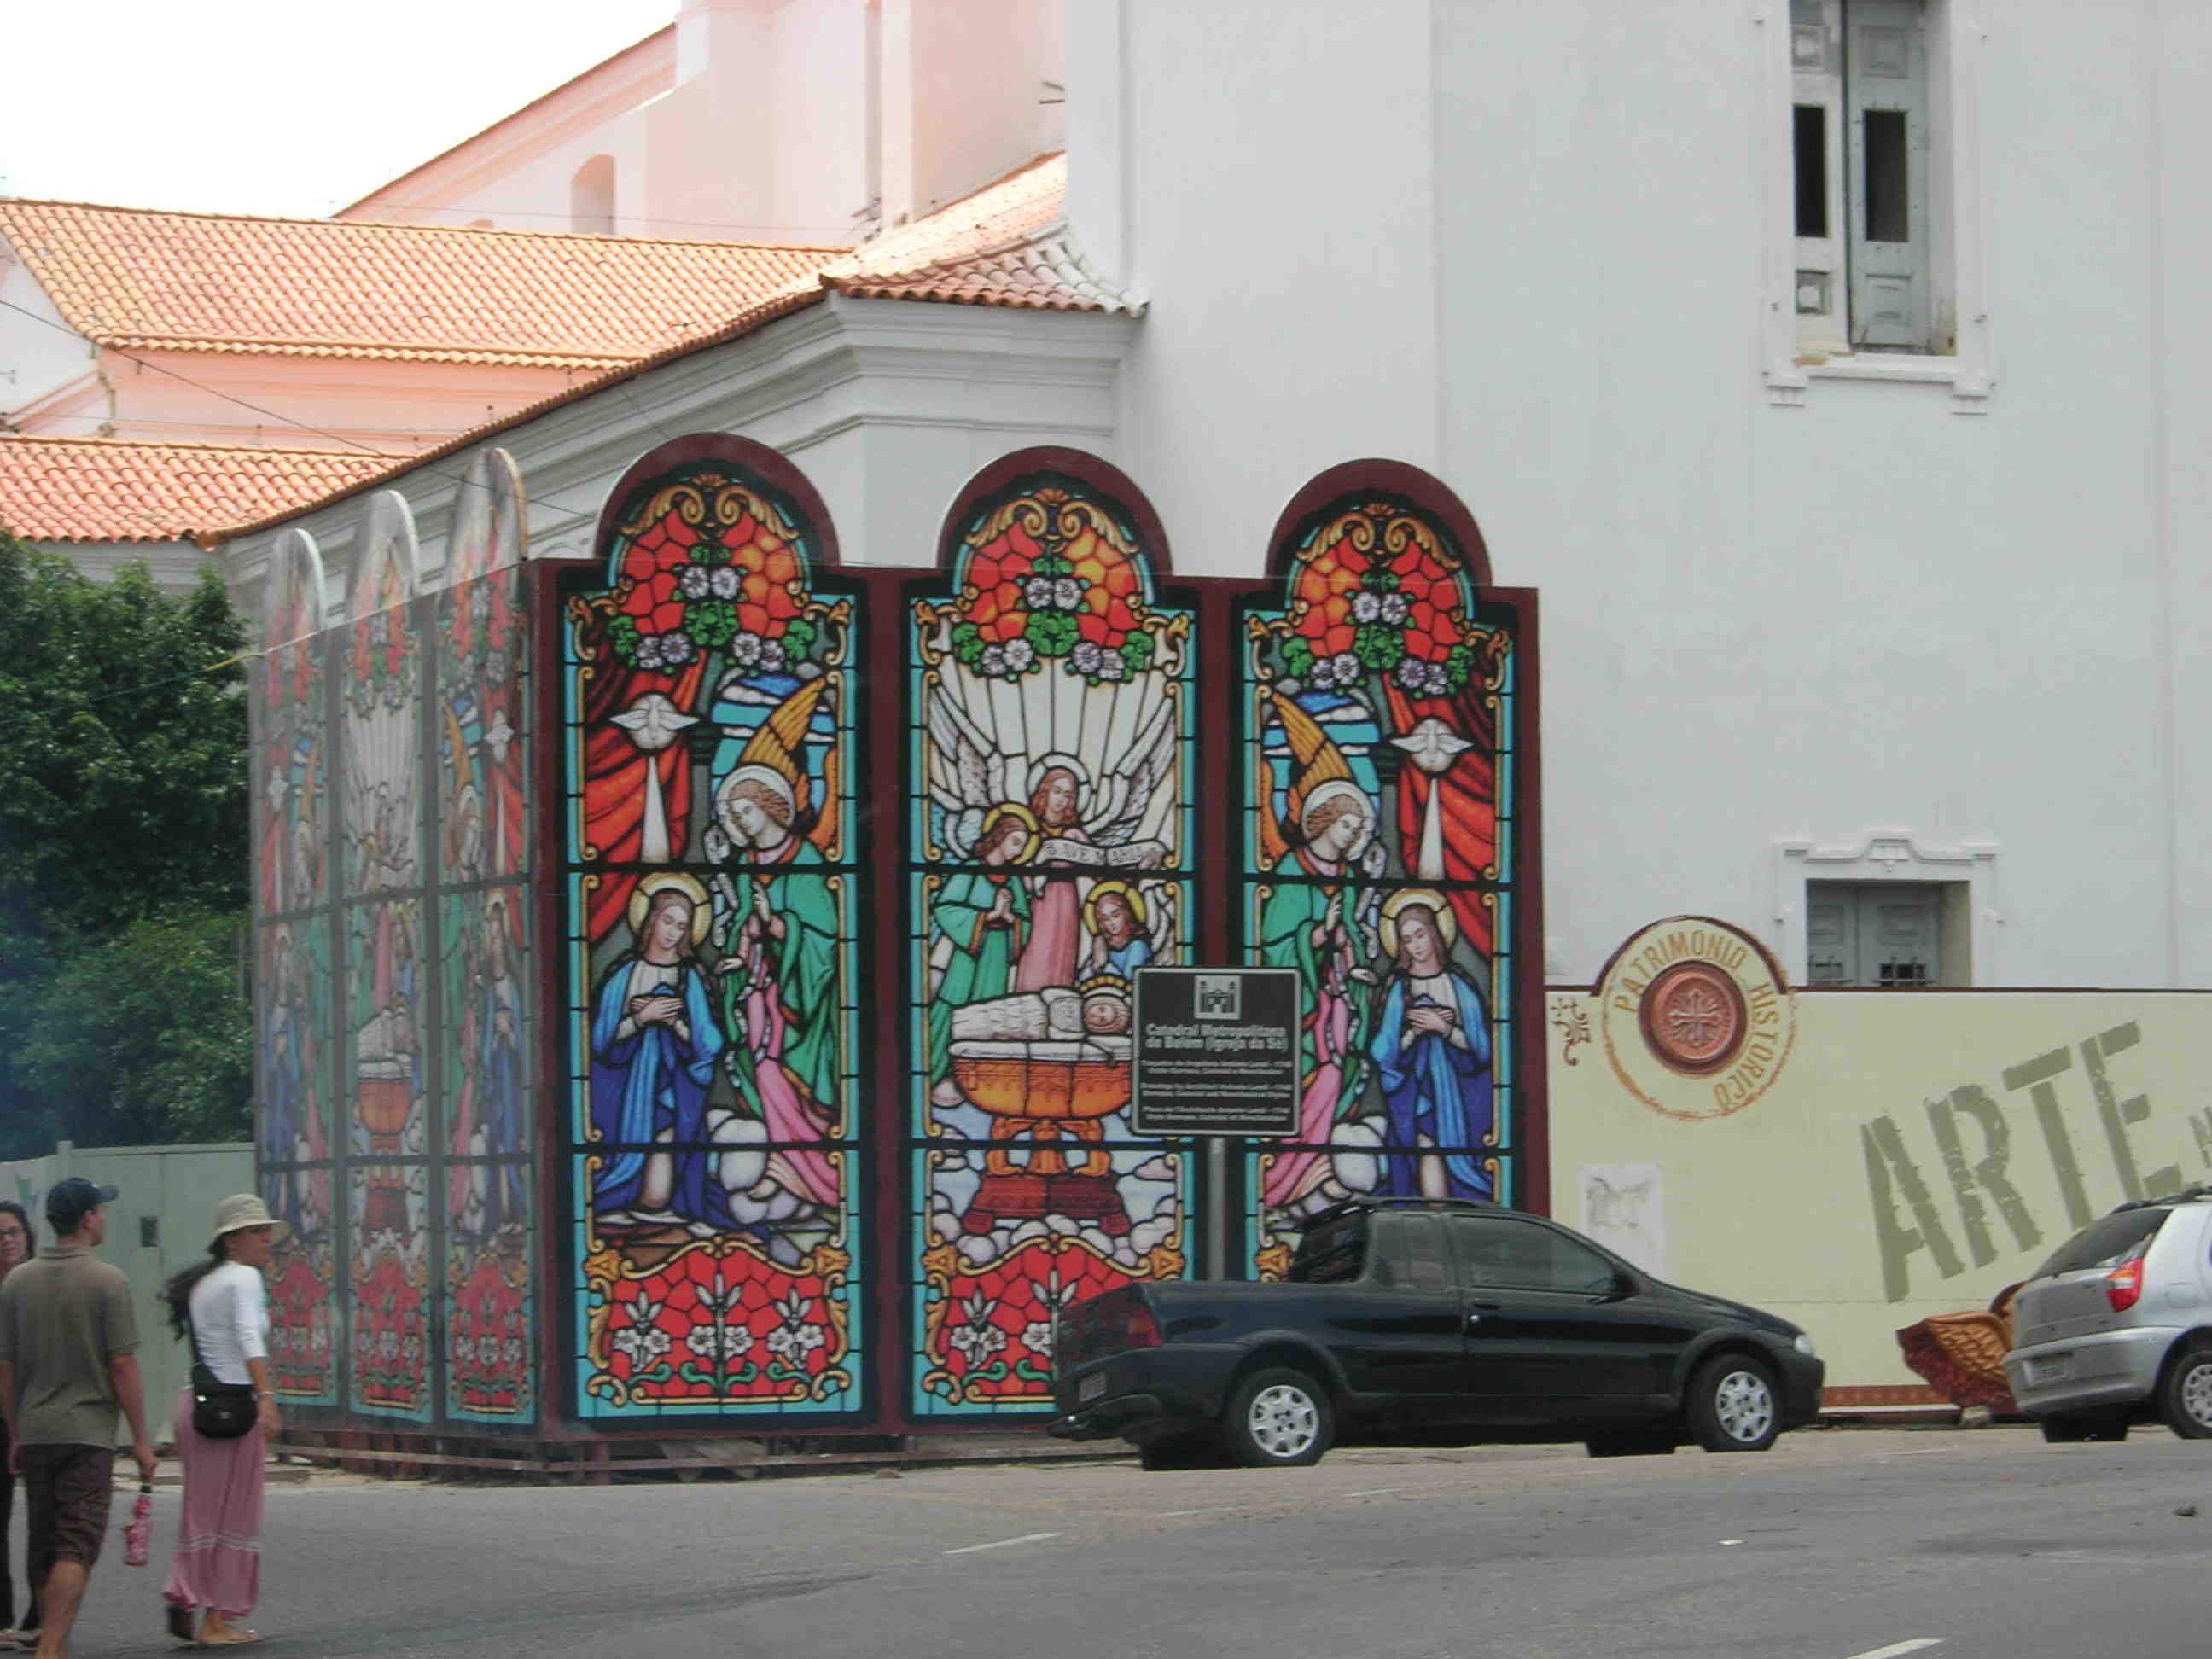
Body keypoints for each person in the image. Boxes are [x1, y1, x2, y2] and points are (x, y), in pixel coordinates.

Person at [0, 1178, 158, 1659]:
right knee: (76, 1545)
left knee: (44, 1543)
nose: (104, 1218)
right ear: (88, 1218)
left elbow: (5, 1367)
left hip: (35, 1433)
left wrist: (15, 1431)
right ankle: (50, 1648)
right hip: (87, 1436)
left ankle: (54, 1643)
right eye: (100, 1210)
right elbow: (122, 1364)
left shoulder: (17, 1282)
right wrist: (141, 1440)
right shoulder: (108, 1281)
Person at [160, 1195, 286, 1648]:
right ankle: (215, 1619)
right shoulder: (245, 1278)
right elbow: (249, 1336)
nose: (266, 1239)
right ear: (232, 1241)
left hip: (196, 1406)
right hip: (231, 1410)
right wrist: (266, 1397)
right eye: (256, 1231)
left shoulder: (207, 1282)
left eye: (266, 1231)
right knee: (236, 1513)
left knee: (203, 1513)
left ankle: (189, 1591)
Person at [0, 1202, 38, 1649]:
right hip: (2, 1419)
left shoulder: (39, 1285)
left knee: (47, 1520)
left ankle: (41, 1615)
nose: (7, 1240)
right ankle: (2, 1618)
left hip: (41, 1412)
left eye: (13, 1232)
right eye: (0, 1234)